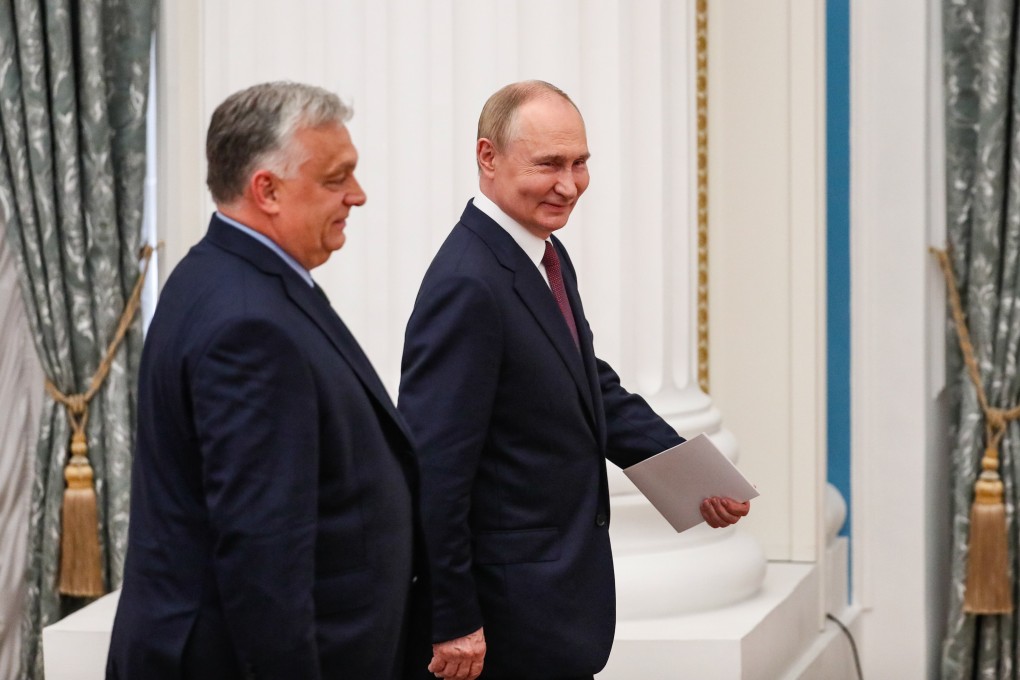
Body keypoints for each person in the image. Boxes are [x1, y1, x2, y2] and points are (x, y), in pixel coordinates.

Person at [398, 80, 750, 680]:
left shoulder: (542, 253)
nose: (569, 185)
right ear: (488, 158)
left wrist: (692, 476)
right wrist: (450, 617)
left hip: (550, 608)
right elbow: (435, 471)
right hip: (503, 622)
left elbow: (590, 387)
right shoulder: (468, 283)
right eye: (548, 165)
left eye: (580, 163)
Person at [107, 82, 424, 680]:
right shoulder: (248, 321)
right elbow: (263, 559)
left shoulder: (224, 275)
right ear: (267, 190)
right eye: (336, 179)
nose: (357, 196)